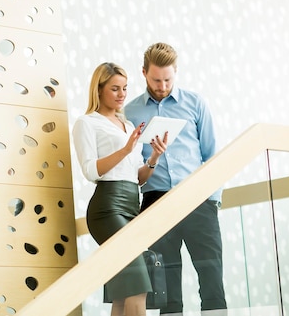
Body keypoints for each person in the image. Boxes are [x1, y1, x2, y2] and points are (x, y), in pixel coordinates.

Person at [124, 42, 227, 315]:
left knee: (212, 276)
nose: (162, 85)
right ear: (144, 73)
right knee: (166, 285)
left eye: (168, 79)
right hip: (156, 201)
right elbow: (129, 166)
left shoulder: (195, 104)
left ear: (176, 72)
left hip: (197, 198)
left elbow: (211, 154)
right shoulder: (131, 113)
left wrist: (212, 201)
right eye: (156, 79)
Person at [72, 62, 167, 316]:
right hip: (107, 208)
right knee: (138, 287)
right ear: (99, 89)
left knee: (123, 294)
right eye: (115, 88)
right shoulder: (87, 123)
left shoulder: (126, 124)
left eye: (125, 88)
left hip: (130, 205)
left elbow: (137, 178)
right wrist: (125, 149)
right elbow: (91, 170)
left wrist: (154, 158)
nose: (122, 94)